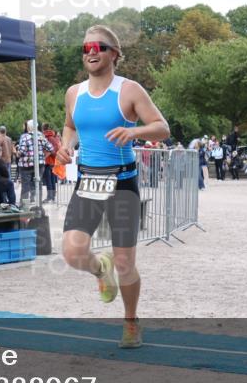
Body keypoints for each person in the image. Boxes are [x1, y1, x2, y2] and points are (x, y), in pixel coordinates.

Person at [56, 25, 170, 349]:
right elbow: (69, 124)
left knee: (126, 263)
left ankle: (131, 320)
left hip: (121, 183)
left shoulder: (129, 90)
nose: (91, 52)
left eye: (99, 47)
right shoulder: (73, 93)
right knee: (72, 252)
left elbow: (162, 127)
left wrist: (133, 133)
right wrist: (66, 146)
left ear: (114, 54)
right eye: (86, 47)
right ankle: (98, 268)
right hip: (88, 181)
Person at [16, 119, 53, 205]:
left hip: (26, 165)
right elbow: (50, 148)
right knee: (38, 184)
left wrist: (17, 153)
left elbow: (21, 151)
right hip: (39, 164)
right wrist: (43, 156)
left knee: (25, 186)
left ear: (28, 127)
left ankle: (24, 206)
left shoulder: (24, 136)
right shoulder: (41, 136)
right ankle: (38, 204)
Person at [42, 123, 62, 202]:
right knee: (53, 179)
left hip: (48, 161)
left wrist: (45, 156)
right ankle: (53, 196)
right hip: (54, 161)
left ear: (43, 129)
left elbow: (48, 149)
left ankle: (49, 196)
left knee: (48, 179)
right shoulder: (54, 137)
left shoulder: (46, 138)